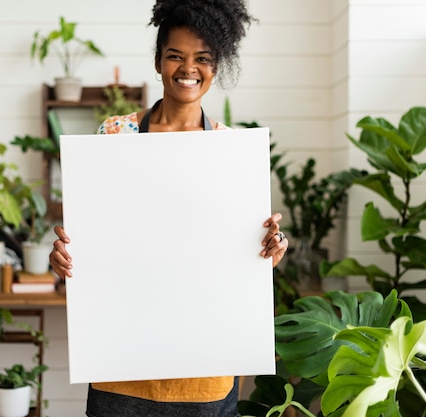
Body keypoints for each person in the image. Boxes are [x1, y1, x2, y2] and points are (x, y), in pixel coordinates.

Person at [49, 0, 289, 415]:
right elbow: (97, 237)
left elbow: (231, 255)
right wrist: (68, 257)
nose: (187, 68)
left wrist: (267, 251)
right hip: (121, 367)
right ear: (159, 61)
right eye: (175, 55)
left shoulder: (231, 150)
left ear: (218, 66)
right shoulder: (116, 134)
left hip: (204, 372)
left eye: (202, 59)